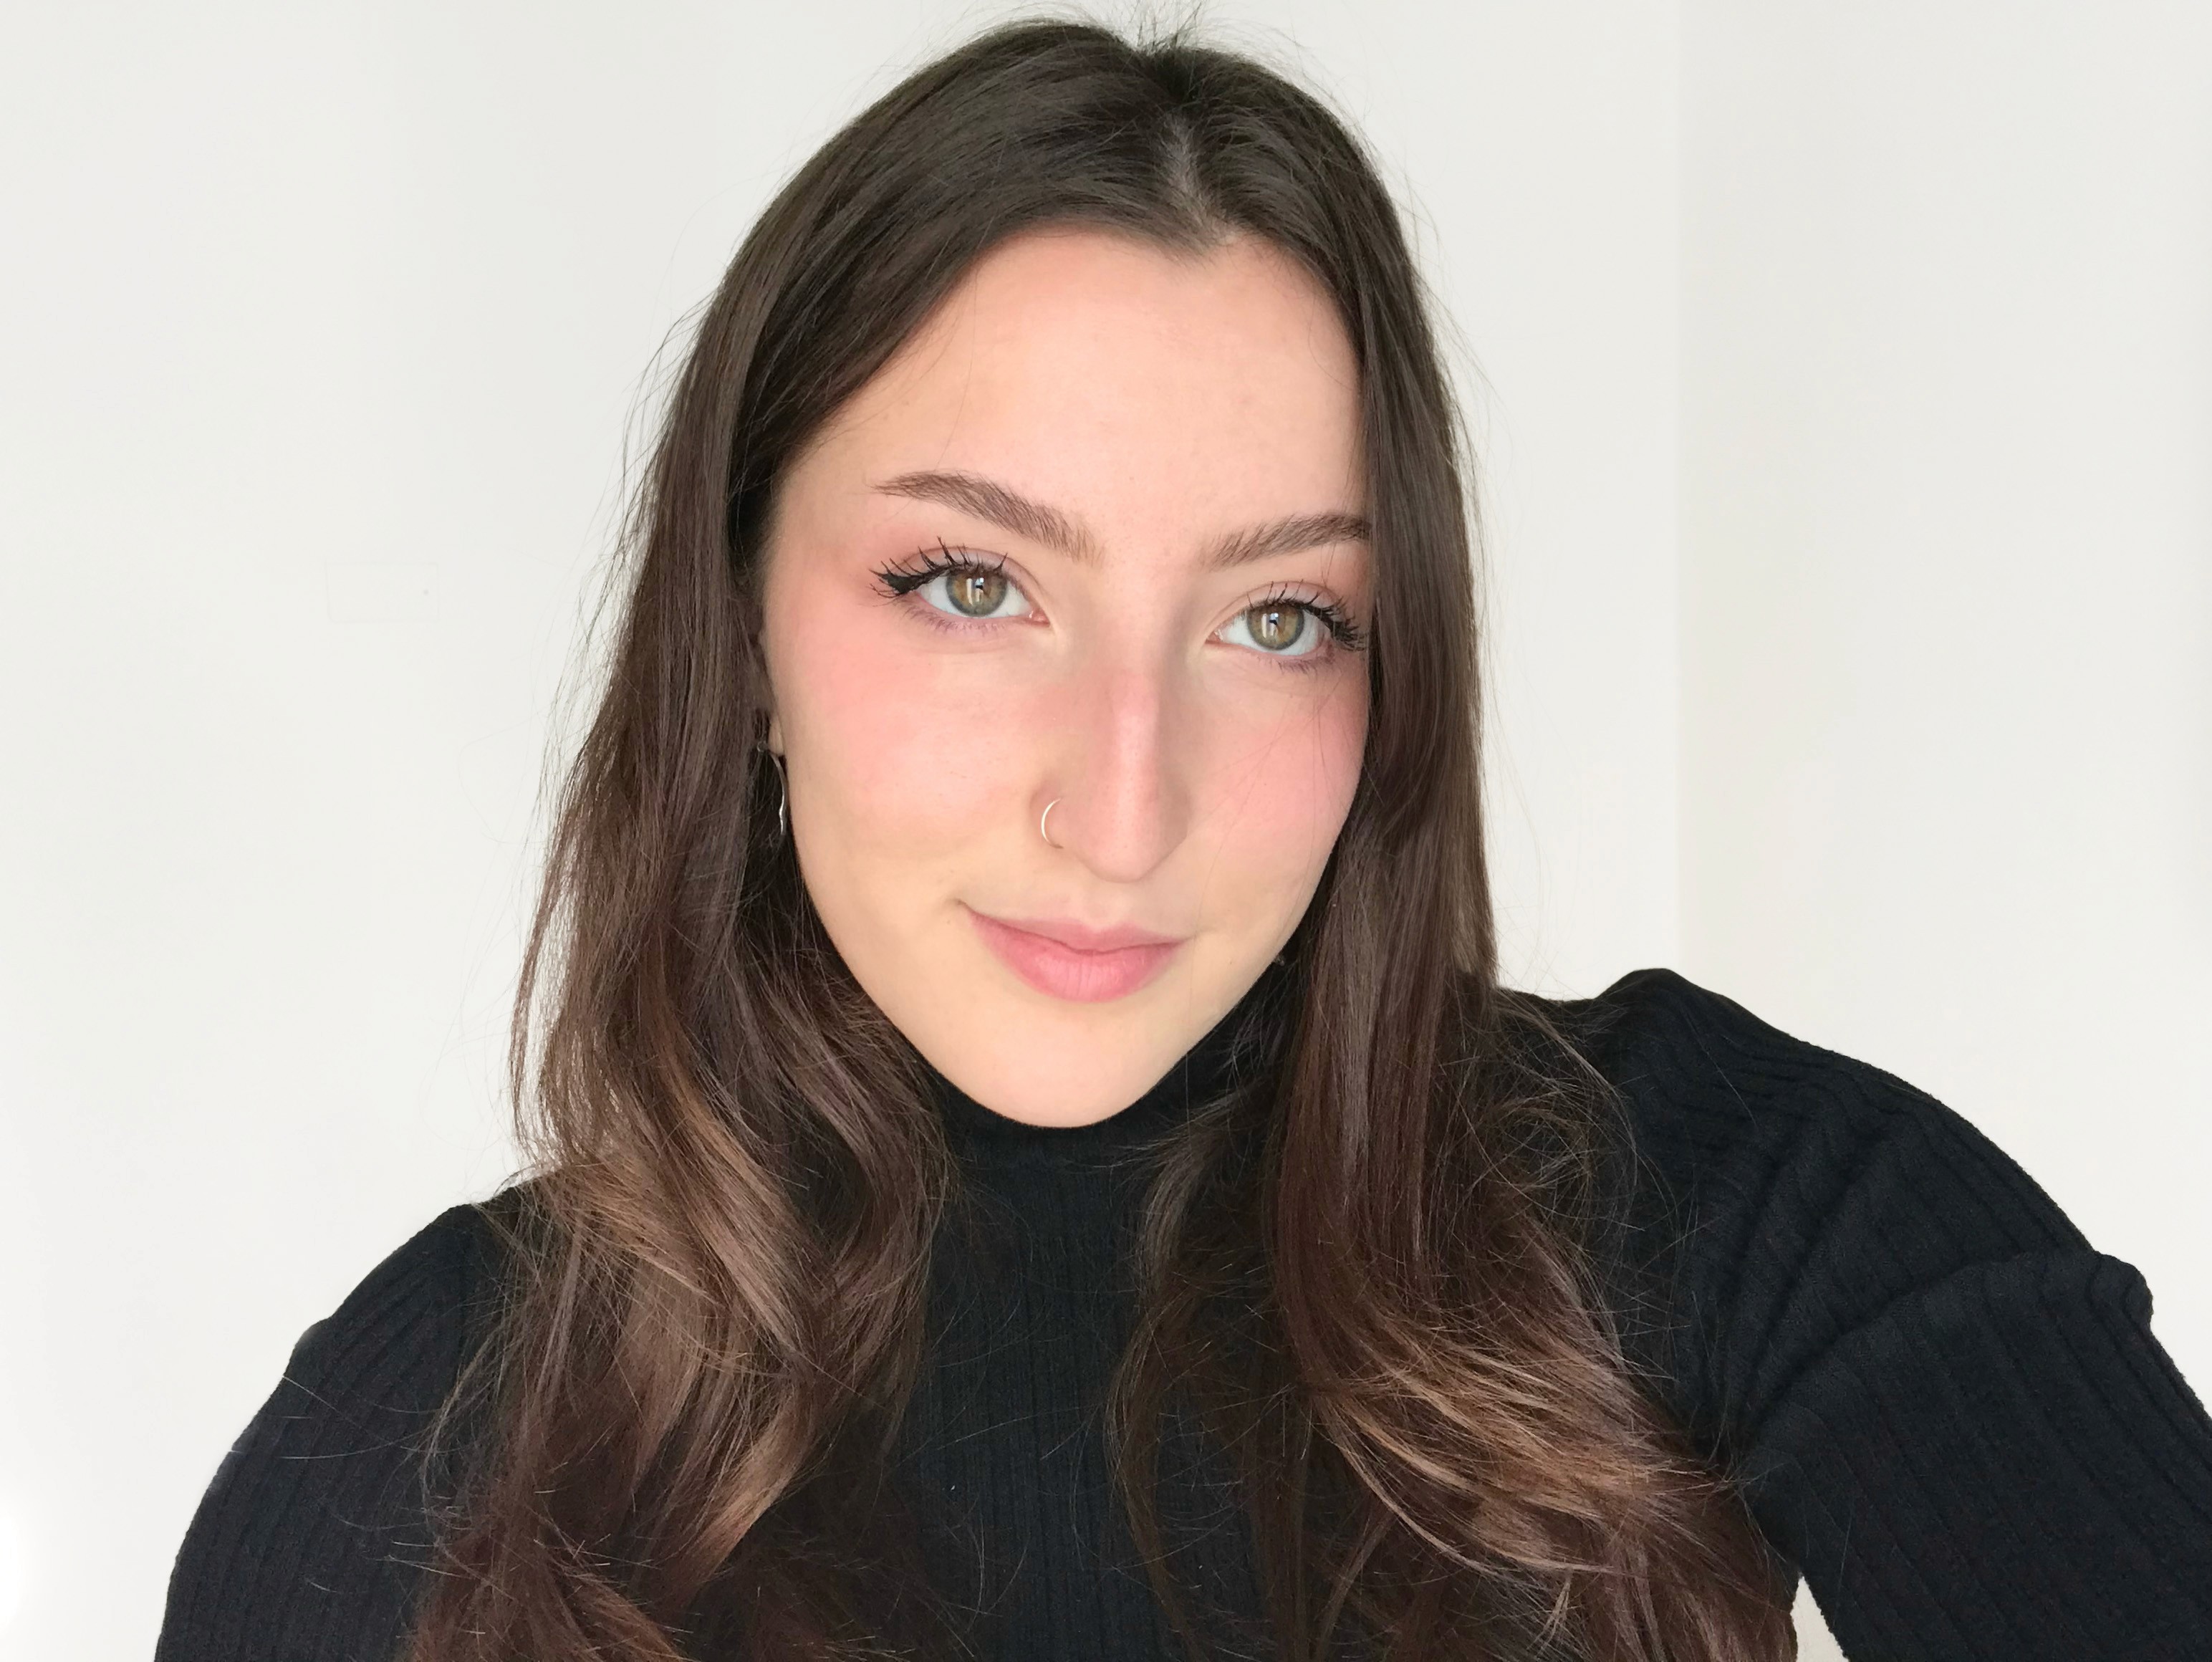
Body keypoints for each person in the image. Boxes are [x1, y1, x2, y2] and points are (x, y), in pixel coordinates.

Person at [154, 19, 2212, 1662]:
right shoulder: (426, 1433)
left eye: (1277, 619)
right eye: (972, 585)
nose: (1124, 804)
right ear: (744, 627)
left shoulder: (1740, 1220)